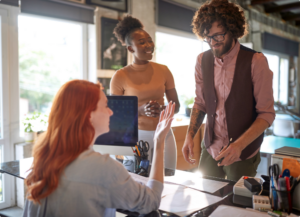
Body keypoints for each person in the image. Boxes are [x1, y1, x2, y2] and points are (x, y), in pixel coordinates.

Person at [22, 79, 175, 217]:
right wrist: (159, 140)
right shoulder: (103, 167)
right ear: (89, 115)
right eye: (106, 106)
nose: (111, 112)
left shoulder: (44, 158)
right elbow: (151, 201)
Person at [182, 0, 275, 181]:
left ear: (233, 29)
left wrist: (239, 145)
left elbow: (266, 114)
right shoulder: (201, 61)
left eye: (218, 36)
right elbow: (201, 103)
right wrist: (189, 136)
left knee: (238, 204)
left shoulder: (256, 61)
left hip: (243, 151)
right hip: (210, 148)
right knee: (207, 201)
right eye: (207, 37)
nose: (212, 42)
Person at [110, 16, 180, 169]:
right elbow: (115, 113)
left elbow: (177, 105)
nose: (148, 45)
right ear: (130, 48)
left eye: (149, 40)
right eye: (142, 42)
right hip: (136, 137)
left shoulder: (164, 70)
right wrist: (142, 110)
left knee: (168, 180)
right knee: (138, 183)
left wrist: (161, 110)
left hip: (164, 133)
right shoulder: (120, 76)